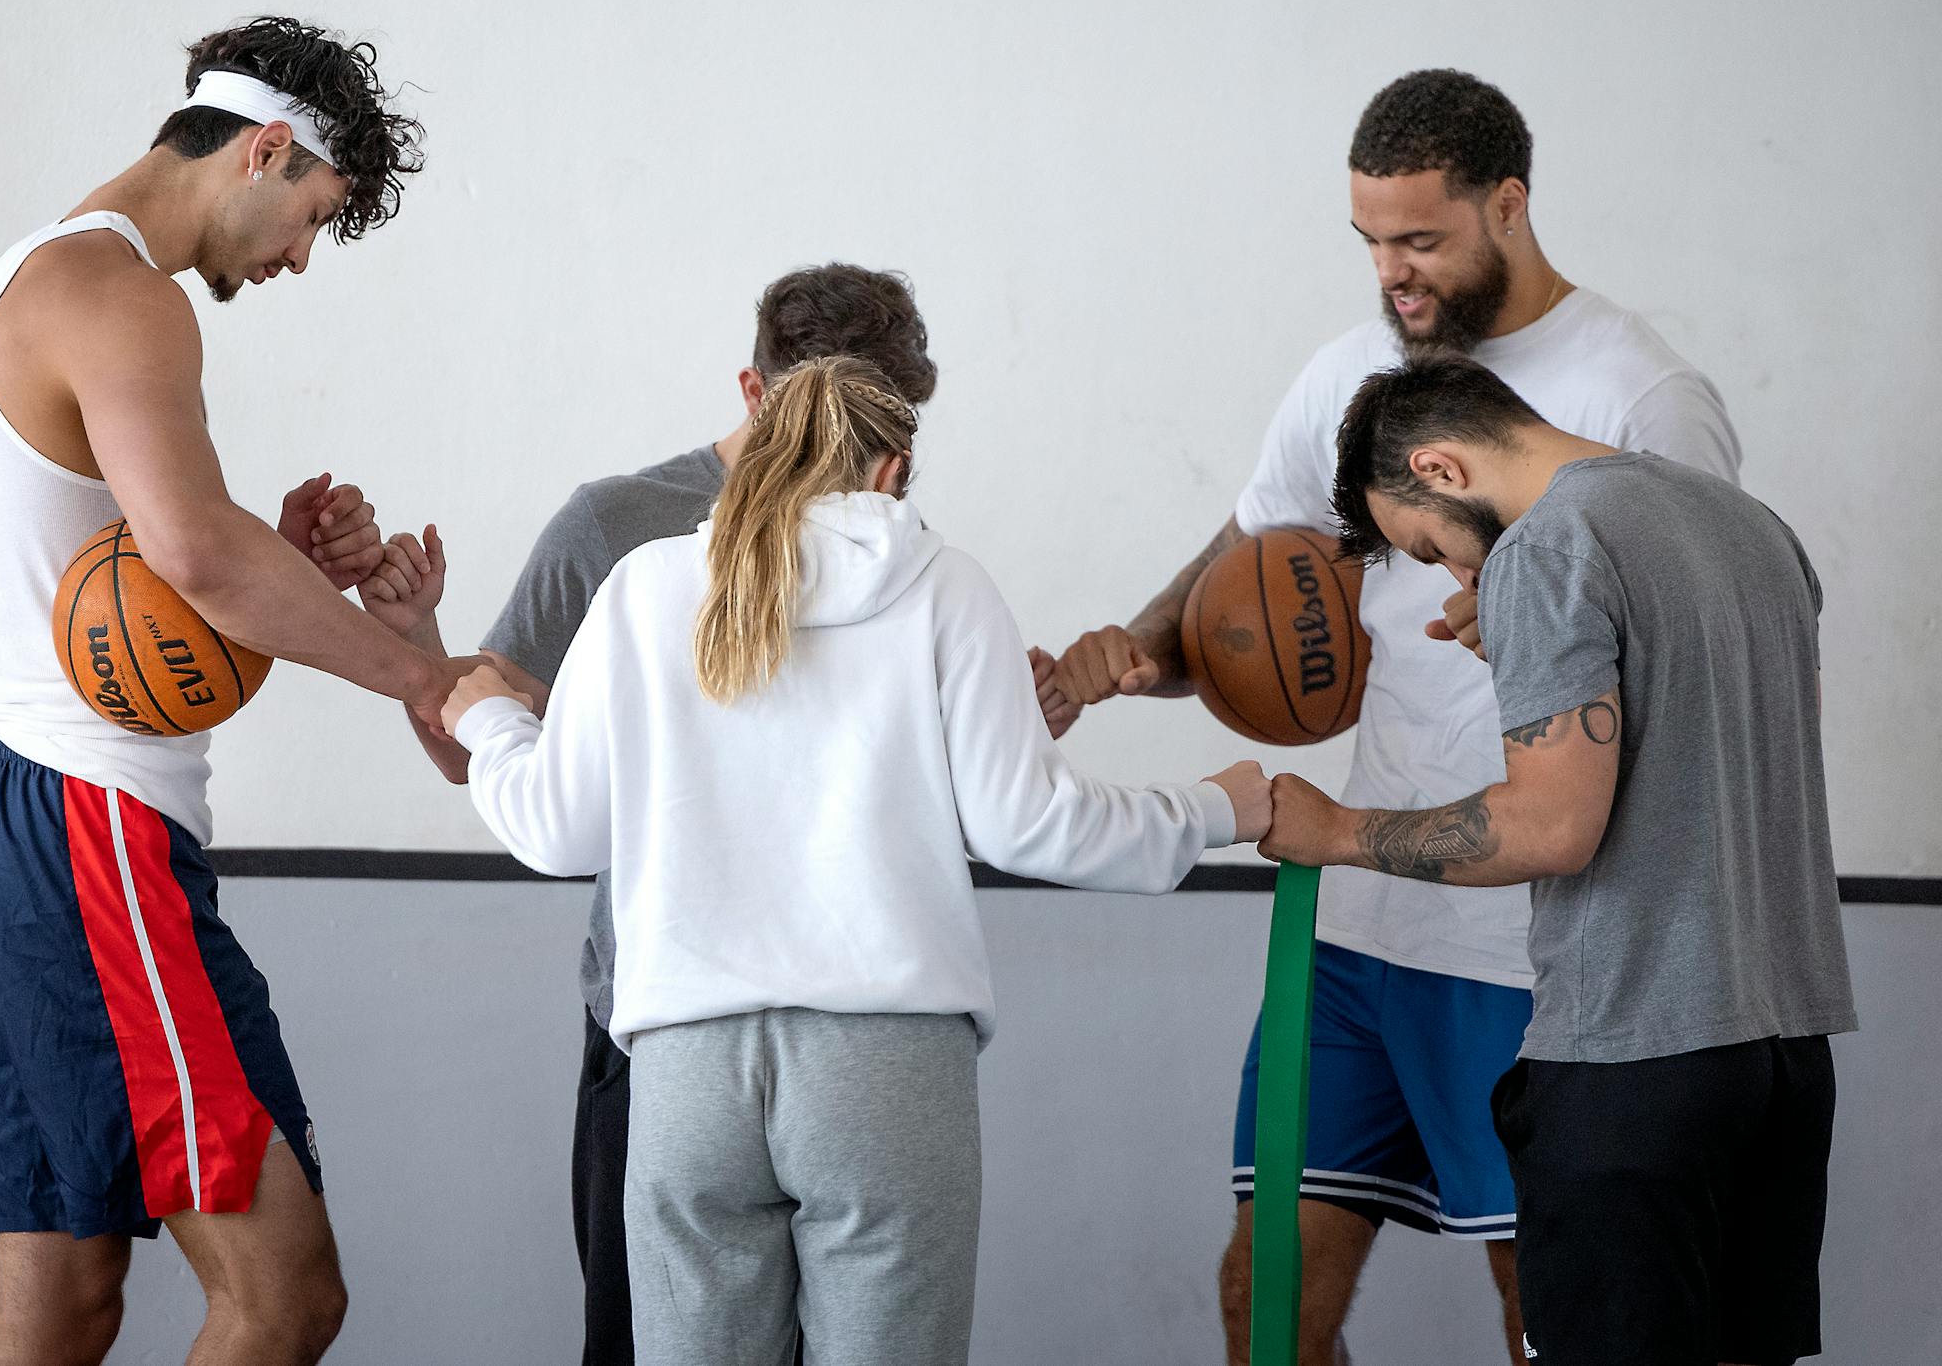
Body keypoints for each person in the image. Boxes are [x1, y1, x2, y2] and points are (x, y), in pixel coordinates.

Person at [1036, 69, 1741, 1363]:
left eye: (1420, 239)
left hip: (1540, 953)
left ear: (1509, 204)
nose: (1393, 274)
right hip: (1356, 931)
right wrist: (1129, 657)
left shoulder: (1638, 396)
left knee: (1551, 1316)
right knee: (1267, 1300)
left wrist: (1535, 619)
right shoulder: (1352, 369)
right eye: (1370, 241)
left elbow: (1698, 652)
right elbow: (1255, 571)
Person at [425, 355, 1273, 1366]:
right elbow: (1030, 823)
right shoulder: (944, 586)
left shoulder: (645, 588)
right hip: (885, 1065)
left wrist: (492, 729)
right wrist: (1218, 807)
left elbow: (556, 830)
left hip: (686, 1070)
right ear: (889, 470)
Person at [0, 15, 474, 1366]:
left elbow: (141, 573)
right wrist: (424, 677)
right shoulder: (124, 293)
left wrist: (276, 558)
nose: (297, 257)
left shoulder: (30, 279)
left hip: (12, 816)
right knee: (285, 1295)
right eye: (311, 217)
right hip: (90, 833)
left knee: (59, 1307)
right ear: (266, 149)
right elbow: (187, 553)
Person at [359, 263, 942, 1365]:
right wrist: (420, 646)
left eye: (876, 435)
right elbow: (479, 741)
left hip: (846, 1034)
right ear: (753, 391)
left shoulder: (891, 535)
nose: (857, 462)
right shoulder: (621, 528)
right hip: (659, 1031)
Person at [1260, 353, 1856, 1366]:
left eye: (1430, 545)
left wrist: (1336, 831)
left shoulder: (1547, 547)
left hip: (1635, 1057)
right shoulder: (1752, 527)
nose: (1458, 576)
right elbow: (1696, 746)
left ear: (1442, 468)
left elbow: (1548, 826)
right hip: (1785, 1054)